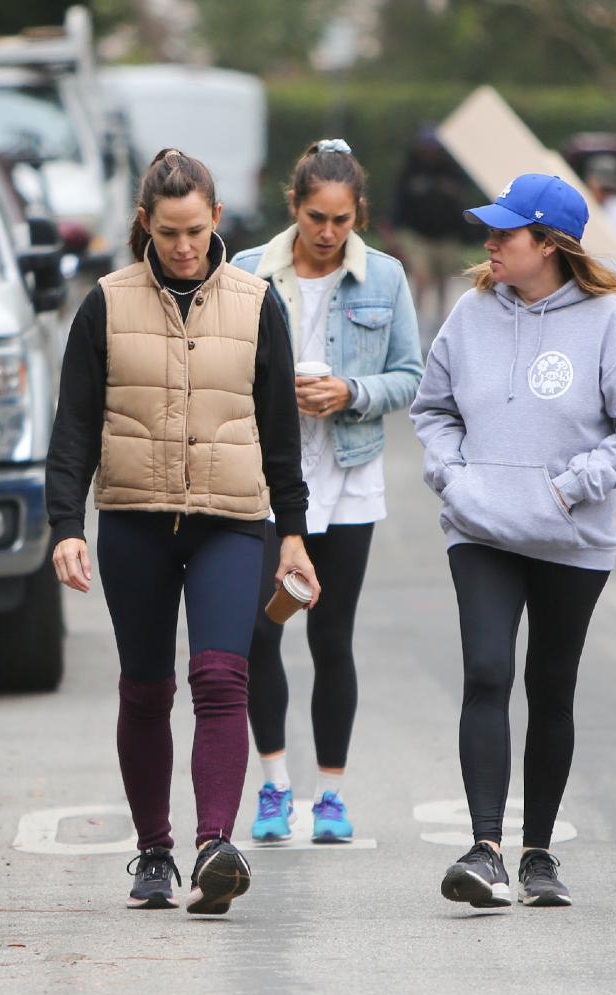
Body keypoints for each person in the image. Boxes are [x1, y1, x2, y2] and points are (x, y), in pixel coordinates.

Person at [45, 148, 321, 914]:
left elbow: (279, 433)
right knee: (144, 689)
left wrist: (292, 533)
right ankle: (154, 853)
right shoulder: (105, 303)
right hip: (134, 520)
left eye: (195, 230)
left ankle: (212, 846)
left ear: (217, 221)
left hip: (231, 523)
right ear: (145, 225)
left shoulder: (256, 302)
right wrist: (65, 523)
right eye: (168, 233)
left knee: (220, 678)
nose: (183, 247)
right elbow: (73, 427)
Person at [411, 173, 616, 908]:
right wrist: (452, 479)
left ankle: (539, 854)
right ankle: (485, 849)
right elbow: (434, 409)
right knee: (487, 672)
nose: (490, 242)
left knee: (550, 688)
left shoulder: (614, 323)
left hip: (569, 537)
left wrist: (569, 486)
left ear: (549, 245)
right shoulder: (471, 311)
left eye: (506, 232)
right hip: (480, 527)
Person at [232, 139, 423, 845]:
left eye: (343, 220)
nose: (328, 233)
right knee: (259, 629)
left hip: (347, 476)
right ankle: (276, 786)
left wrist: (351, 391)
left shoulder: (386, 278)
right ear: (294, 206)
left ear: (358, 214)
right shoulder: (249, 272)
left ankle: (333, 797)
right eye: (316, 217)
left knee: (331, 634)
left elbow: (412, 374)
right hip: (263, 480)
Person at [391, 126, 484, 335]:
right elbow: (400, 201)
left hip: (446, 234)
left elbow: (462, 196)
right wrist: (396, 229)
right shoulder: (411, 169)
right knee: (421, 277)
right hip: (420, 235)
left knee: (444, 278)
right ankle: (415, 318)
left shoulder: (451, 170)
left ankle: (441, 318)